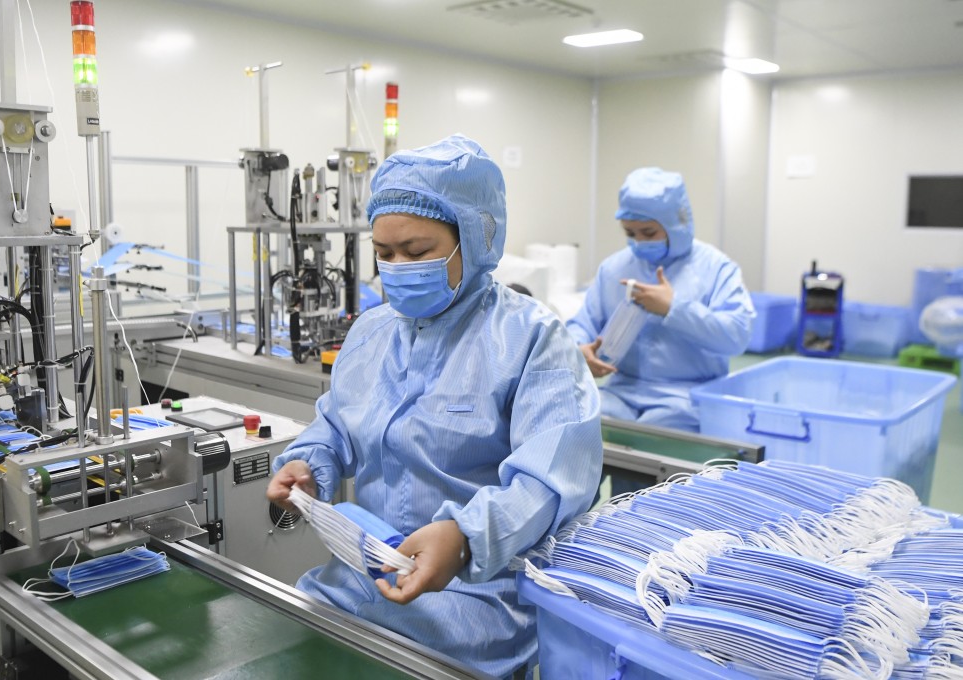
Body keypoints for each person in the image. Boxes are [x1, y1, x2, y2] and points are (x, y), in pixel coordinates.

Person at [266, 134, 602, 679]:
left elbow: (551, 481)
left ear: (475, 237)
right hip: (359, 584)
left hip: (475, 608)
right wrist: (308, 465)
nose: (398, 267)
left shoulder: (531, 339)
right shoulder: (372, 330)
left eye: (418, 253)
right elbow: (337, 426)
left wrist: (466, 540)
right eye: (384, 254)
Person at [566, 167, 754, 432]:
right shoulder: (613, 269)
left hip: (687, 396)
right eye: (630, 233)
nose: (639, 242)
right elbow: (584, 322)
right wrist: (578, 349)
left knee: (657, 441)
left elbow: (737, 335)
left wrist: (673, 309)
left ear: (678, 224)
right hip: (621, 391)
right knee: (578, 423)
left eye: (649, 232)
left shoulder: (716, 268)